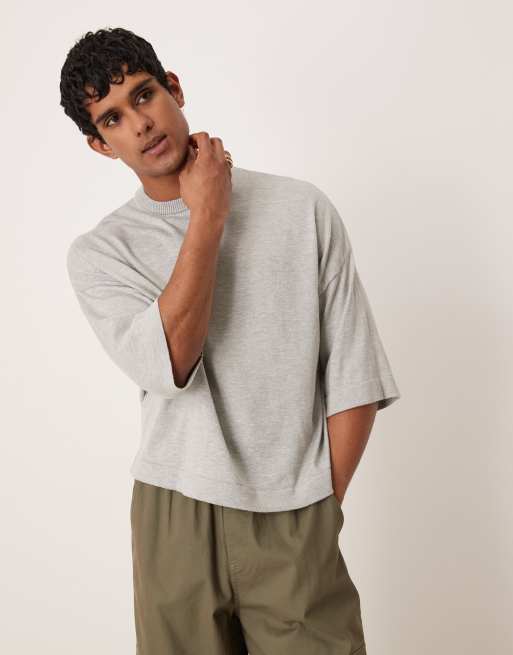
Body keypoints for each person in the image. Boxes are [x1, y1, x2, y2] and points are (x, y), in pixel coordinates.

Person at [60, 26, 400, 655]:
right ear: (100, 145)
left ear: (174, 88)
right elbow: (170, 363)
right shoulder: (102, 254)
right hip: (175, 513)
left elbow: (354, 374)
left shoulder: (302, 209)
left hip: (295, 507)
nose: (140, 123)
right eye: (113, 118)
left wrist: (320, 507)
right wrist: (208, 216)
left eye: (144, 95)